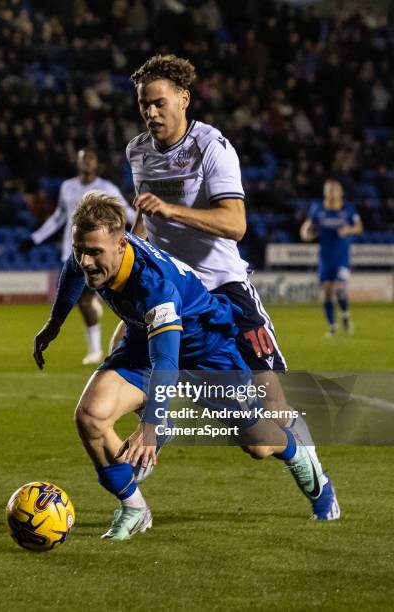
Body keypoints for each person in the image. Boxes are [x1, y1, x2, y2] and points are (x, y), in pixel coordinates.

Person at [32, 192, 340, 541]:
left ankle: (302, 459)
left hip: (207, 351)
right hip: (144, 341)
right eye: (81, 249)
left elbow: (167, 361)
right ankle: (134, 509)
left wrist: (149, 425)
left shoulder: (154, 286)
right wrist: (55, 322)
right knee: (91, 416)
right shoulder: (94, 252)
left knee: (258, 445)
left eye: (95, 253)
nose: (86, 261)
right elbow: (72, 268)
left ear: (120, 245)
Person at [114, 53, 335, 507]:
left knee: (267, 419)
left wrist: (172, 210)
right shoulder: (137, 152)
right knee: (122, 360)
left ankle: (309, 468)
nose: (151, 113)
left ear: (183, 98)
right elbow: (145, 223)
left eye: (158, 103)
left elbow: (236, 224)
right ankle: (160, 423)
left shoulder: (211, 147)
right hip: (171, 292)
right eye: (144, 106)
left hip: (225, 290)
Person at [22, 147, 135, 365]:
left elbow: (127, 214)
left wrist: (146, 222)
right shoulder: (67, 187)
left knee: (119, 299)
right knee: (82, 301)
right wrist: (35, 238)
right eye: (83, 159)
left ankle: (128, 339)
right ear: (78, 162)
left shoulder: (106, 188)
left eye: (91, 159)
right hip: (73, 253)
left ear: (97, 163)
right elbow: (58, 218)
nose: (87, 163)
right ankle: (95, 349)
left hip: (100, 253)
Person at [300, 179, 363, 336]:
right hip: (325, 257)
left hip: (342, 257)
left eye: (335, 190)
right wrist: (306, 233)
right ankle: (333, 327)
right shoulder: (318, 209)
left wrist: (348, 230)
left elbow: (359, 227)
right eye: (329, 190)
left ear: (341, 192)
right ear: (325, 192)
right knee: (327, 292)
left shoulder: (348, 209)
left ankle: (345, 314)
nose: (332, 193)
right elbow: (306, 228)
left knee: (339, 288)